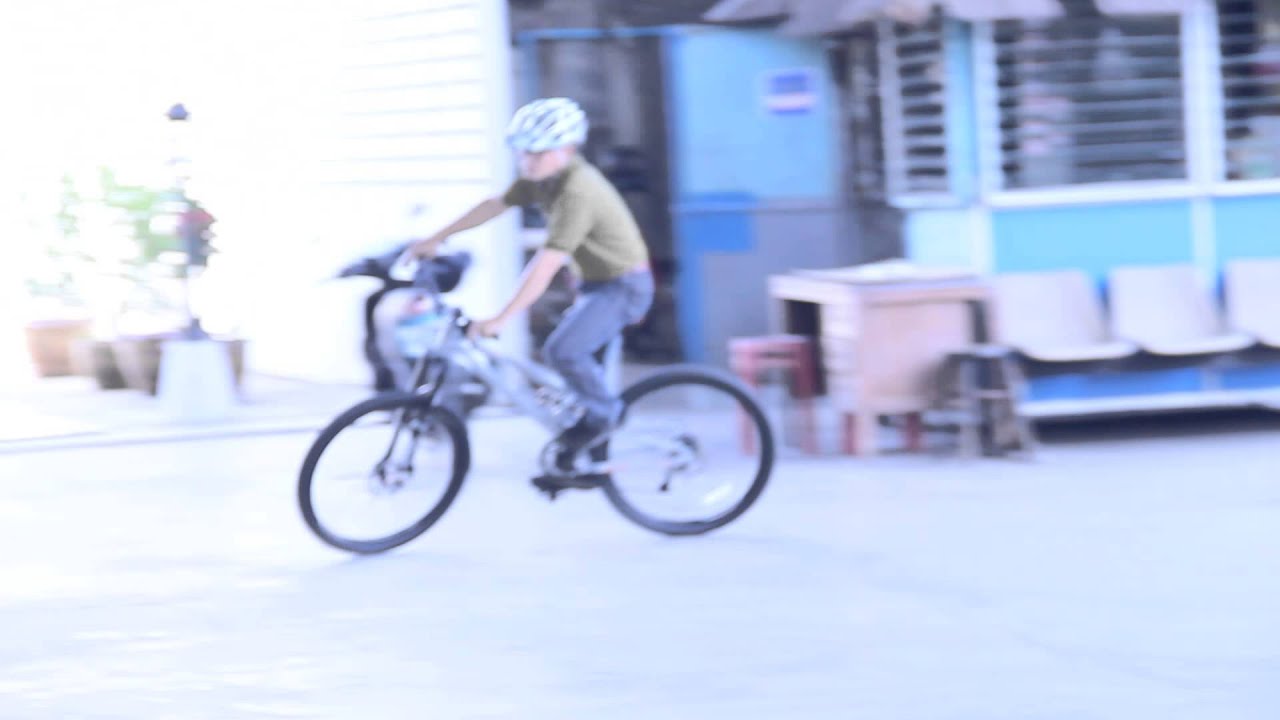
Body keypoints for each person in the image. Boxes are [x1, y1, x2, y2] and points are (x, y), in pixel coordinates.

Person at [410, 97, 654, 470]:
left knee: (563, 352)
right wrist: (437, 237)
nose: (528, 161)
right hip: (592, 284)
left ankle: (606, 416)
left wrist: (501, 318)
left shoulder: (578, 191)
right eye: (524, 152)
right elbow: (494, 205)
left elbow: (545, 265)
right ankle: (583, 462)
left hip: (622, 287)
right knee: (574, 379)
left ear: (567, 149)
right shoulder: (544, 181)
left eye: (538, 153)